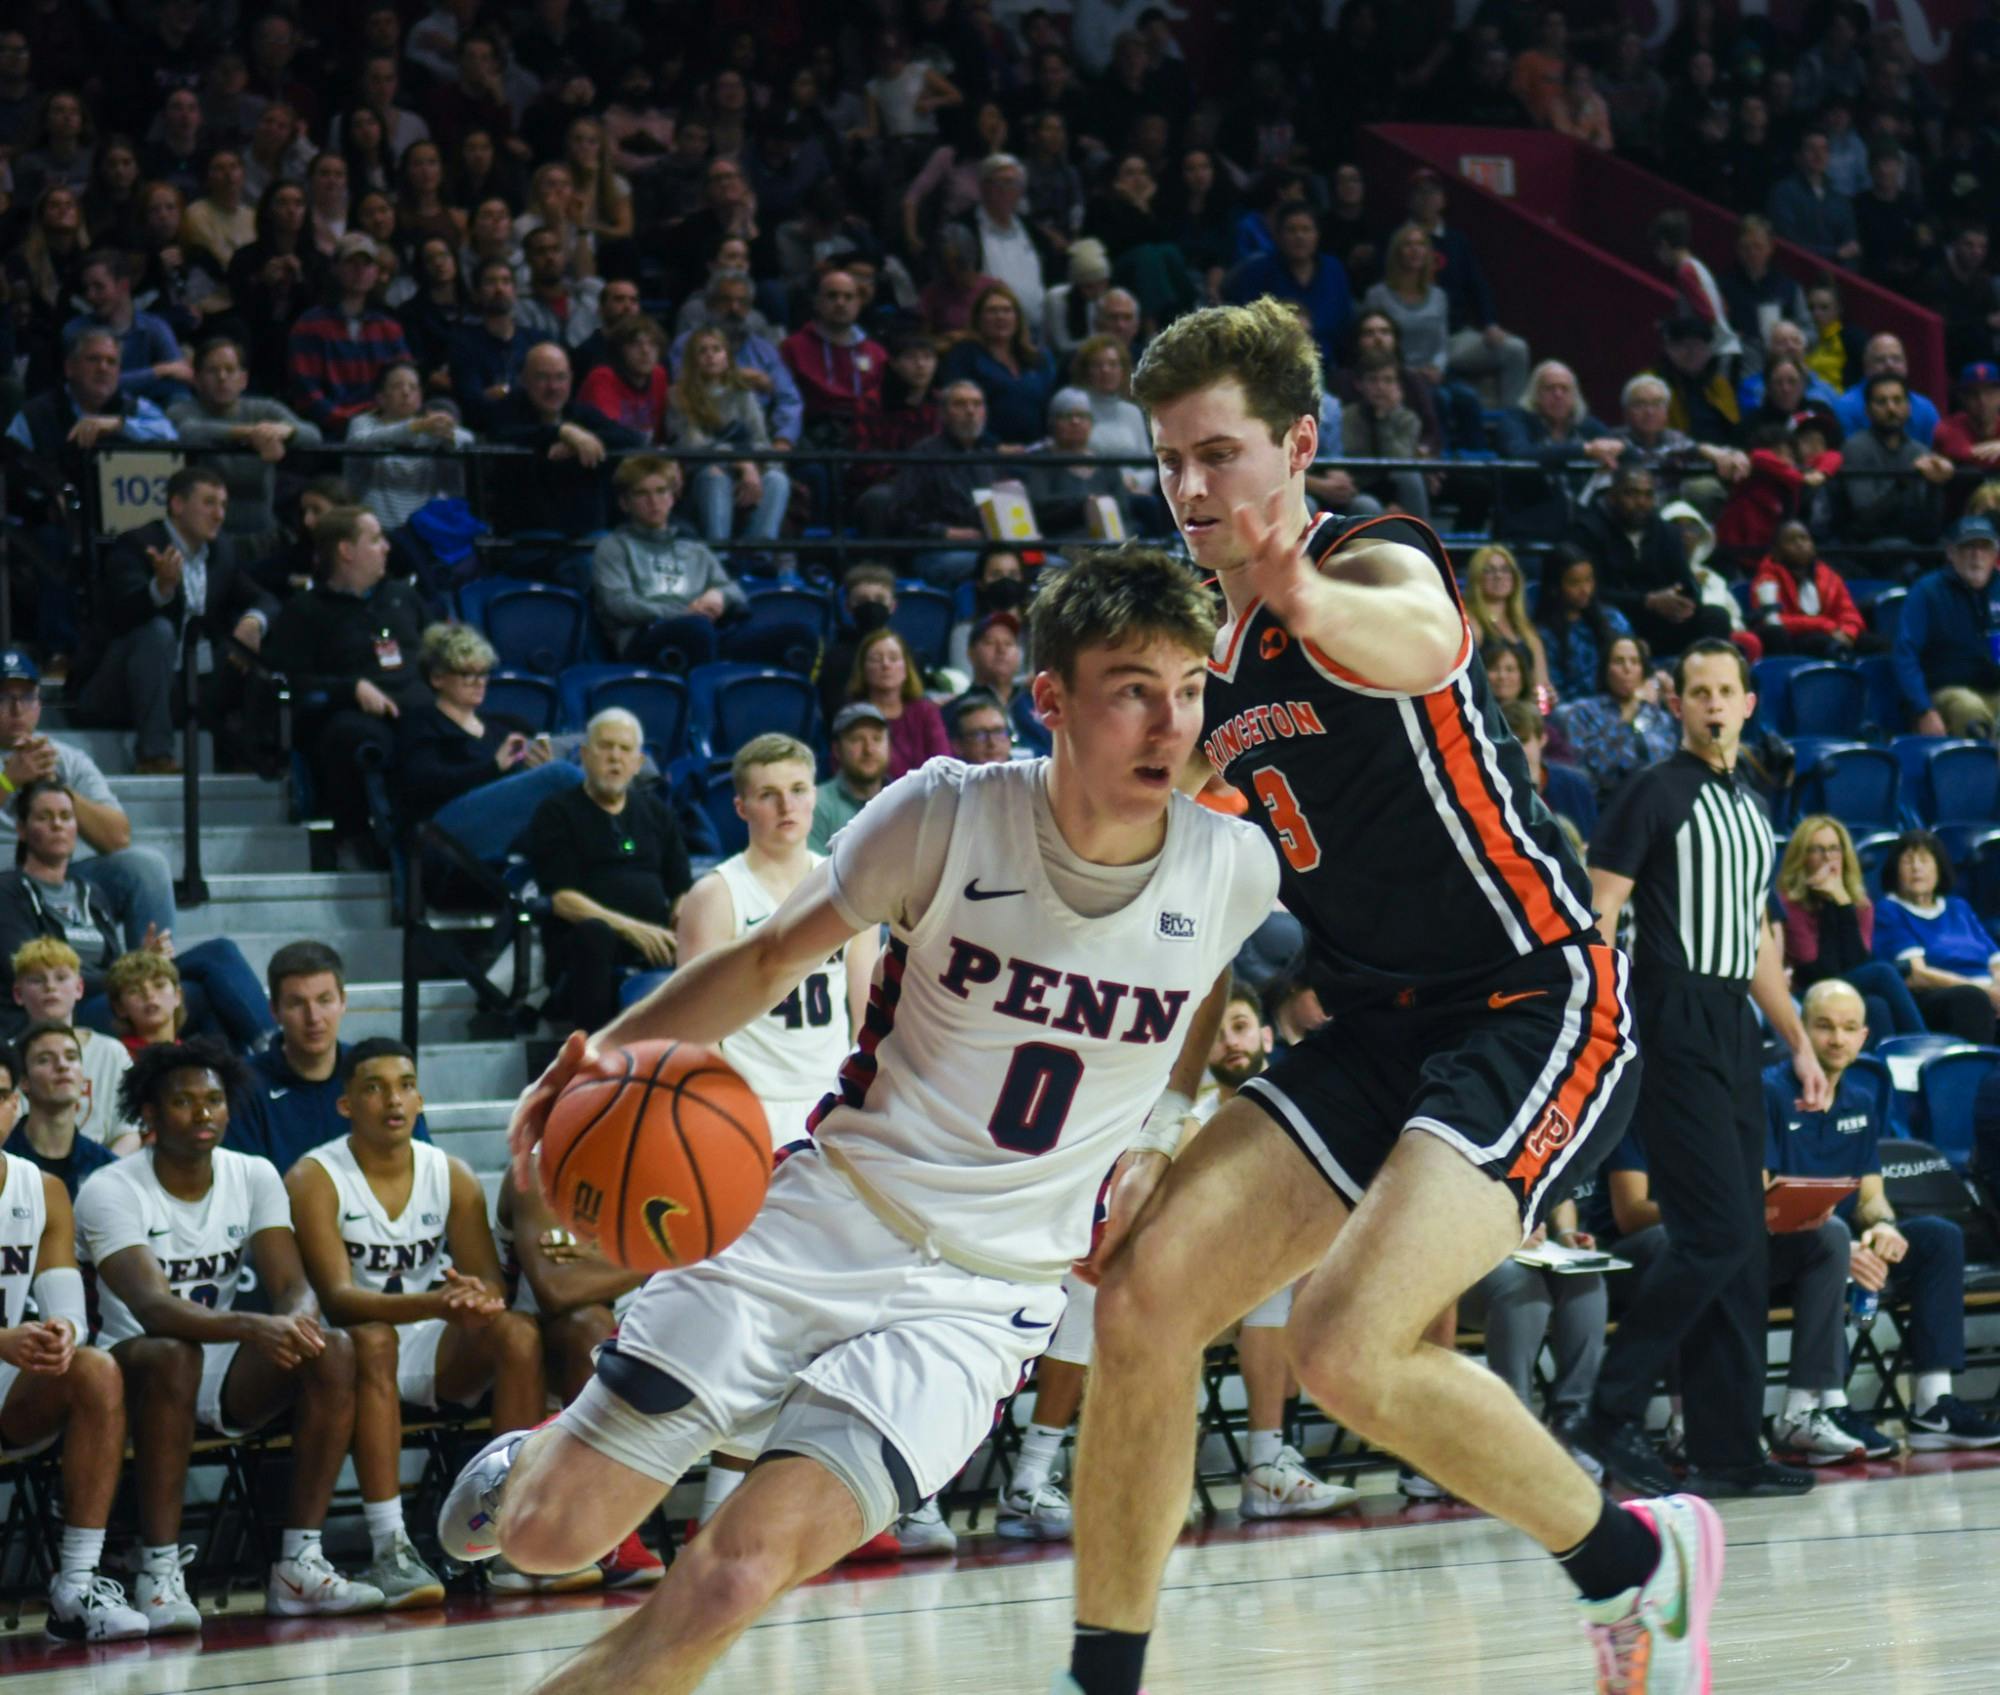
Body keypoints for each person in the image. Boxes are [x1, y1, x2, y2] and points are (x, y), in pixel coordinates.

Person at [438, 544, 1279, 1695]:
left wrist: (1163, 1122)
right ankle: (532, 1460)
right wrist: (605, 1056)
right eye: (1133, 687)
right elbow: (770, 954)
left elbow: (1205, 981)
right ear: (1050, 699)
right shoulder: (944, 816)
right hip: (827, 1216)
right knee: (548, 1539)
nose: (1168, 722)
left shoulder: (1232, 866)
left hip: (983, 1297)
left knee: (735, 1577)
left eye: (1188, 689)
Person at [1033, 297, 1693, 1695]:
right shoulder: (1202, 669)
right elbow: (1187, 905)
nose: (1192, 488)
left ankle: (1635, 1562)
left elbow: (1421, 640)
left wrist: (1302, 595)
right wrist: (1149, 1114)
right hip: (1370, 1023)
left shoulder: (1368, 561)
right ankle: (1102, 1680)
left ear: (1299, 445)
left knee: (1341, 1340)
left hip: (1534, 999)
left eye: (1219, 454)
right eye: (1169, 463)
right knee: (1143, 1299)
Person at [1581, 639, 1825, 1502]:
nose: (1714, 704)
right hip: (1671, 1006)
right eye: (1698, 691)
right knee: (1715, 1231)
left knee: (1744, 1247)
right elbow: (1600, 905)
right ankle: (1608, 1409)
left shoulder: (1753, 809)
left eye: (1727, 691)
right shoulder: (1654, 789)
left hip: (1732, 1021)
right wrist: (1601, 1018)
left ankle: (1728, 1448)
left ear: (1749, 704)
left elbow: (1760, 944)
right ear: (1675, 703)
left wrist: (1795, 1039)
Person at [75, 1036, 387, 1630]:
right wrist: (254, 1323)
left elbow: (293, 1282)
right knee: (175, 1352)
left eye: (214, 1100)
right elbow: (152, 1309)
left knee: (336, 1349)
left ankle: (298, 1562)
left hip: (219, 1366)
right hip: (132, 1365)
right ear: (149, 1112)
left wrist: (297, 1320)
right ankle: (159, 1572)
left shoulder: (253, 1174)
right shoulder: (111, 1187)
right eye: (184, 1102)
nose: (203, 1114)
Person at [288, 1038, 554, 1603]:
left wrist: (470, 1298)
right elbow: (338, 1298)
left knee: (517, 1333)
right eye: (375, 1087)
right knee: (375, 1338)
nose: (395, 1099)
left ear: (421, 1097)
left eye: (406, 1085)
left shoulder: (449, 1174)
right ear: (345, 1105)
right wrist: (438, 1302)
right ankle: (391, 1547)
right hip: (353, 1351)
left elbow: (490, 1287)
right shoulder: (315, 1176)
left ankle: (511, 1534)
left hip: (432, 1348)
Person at [1769, 980, 2000, 1452]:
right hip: (1782, 1252)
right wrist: (1842, 1247)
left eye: (1849, 1028)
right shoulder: (1768, 1092)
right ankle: (1828, 1406)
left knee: (1937, 1235)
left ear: (1864, 1036)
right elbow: (1759, 1202)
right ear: (1802, 1030)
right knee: (1832, 1240)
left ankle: (1932, 1406)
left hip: (1843, 1248)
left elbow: (1871, 1195)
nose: (1837, 1039)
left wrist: (1882, 1228)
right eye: (1824, 1027)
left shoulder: (1860, 1099)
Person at [0, 1060, 148, 1641]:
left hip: (10, 1388)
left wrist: (60, 1333)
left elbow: (67, 1309)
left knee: (93, 1368)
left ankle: (77, 1585)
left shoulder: (42, 1190)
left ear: (16, 1106)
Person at [678, 734, 877, 1153]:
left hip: (830, 1097)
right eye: (768, 795)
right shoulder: (716, 894)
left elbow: (866, 1014)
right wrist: (717, 1106)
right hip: (749, 1099)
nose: (787, 806)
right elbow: (695, 1022)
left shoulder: (850, 884)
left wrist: (863, 1100)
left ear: (814, 797)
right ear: (741, 808)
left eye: (798, 790)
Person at [0, 781, 274, 1053]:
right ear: (23, 830)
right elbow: (24, 968)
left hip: (111, 994)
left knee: (219, 952)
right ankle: (269, 1057)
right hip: (65, 1008)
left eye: (66, 816)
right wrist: (129, 971)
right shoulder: (9, 890)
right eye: (44, 817)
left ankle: (262, 1054)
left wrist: (139, 964)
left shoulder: (89, 891)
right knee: (200, 994)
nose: (57, 825)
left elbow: (114, 963)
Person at [78, 465, 278, 778]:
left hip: (185, 686)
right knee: (157, 632)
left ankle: (250, 755)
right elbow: (120, 616)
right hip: (120, 686)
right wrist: (160, 590)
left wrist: (253, 620)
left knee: (252, 643)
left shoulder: (222, 551)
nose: (219, 515)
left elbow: (266, 599)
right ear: (177, 505)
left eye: (224, 505)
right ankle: (154, 756)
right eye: (209, 503)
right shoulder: (138, 544)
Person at [263, 507, 430, 852]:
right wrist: (349, 689)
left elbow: (440, 652)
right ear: (346, 551)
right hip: (355, 713)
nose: (387, 547)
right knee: (354, 736)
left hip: (420, 706)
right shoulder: (305, 611)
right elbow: (288, 681)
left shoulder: (404, 596)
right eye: (375, 540)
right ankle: (358, 840)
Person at [526, 709, 692, 1034]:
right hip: (584, 944)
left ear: (639, 762)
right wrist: (632, 929)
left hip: (654, 940)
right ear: (585, 755)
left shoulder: (658, 812)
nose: (615, 758)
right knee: (595, 933)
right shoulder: (557, 812)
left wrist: (680, 923)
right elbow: (562, 899)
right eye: (605, 747)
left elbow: (681, 887)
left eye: (625, 749)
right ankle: (595, 1056)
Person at [0, 649, 178, 948]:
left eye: (27, 697)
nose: (17, 709)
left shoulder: (66, 759)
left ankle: (149, 980)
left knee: (146, 868)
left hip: (60, 877)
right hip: (5, 883)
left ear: (39, 705)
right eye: (4, 698)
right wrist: (9, 780)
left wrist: (55, 787)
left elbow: (117, 838)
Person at [225, 940, 431, 1173]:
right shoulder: (245, 1084)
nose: (313, 1017)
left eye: (325, 1000)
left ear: (343, 1002)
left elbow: (423, 1168)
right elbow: (242, 1186)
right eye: (297, 1004)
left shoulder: (377, 1072)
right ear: (274, 1011)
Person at [1777, 816, 1968, 1043]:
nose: (1828, 858)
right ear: (1802, 858)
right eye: (1817, 850)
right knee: (1882, 972)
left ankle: (1883, 1071)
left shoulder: (1859, 904)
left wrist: (1841, 902)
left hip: (1846, 985)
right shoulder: (1789, 905)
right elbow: (1820, 973)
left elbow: (1856, 962)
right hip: (1807, 993)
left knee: (1877, 1007)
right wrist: (1833, 905)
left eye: (1834, 849)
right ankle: (1923, 1044)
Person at [396, 623, 584, 849]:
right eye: (466, 674)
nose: (479, 682)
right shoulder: (422, 723)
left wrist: (537, 763)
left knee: (600, 746)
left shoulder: (505, 725)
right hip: (443, 825)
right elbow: (422, 784)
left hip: (502, 820)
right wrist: (493, 766)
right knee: (560, 774)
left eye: (483, 673)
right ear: (437, 678)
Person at [169, 336, 324, 557]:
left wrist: (285, 431)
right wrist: (252, 434)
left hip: (262, 536)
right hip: (204, 540)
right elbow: (189, 431)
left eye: (230, 370)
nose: (222, 377)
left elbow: (314, 436)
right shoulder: (182, 409)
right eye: (213, 371)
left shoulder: (263, 409)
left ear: (243, 379)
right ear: (197, 379)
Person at [1568, 463, 1731, 659]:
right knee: (1607, 620)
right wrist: (1647, 601)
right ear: (1612, 496)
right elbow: (1591, 593)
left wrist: (1684, 602)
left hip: (1659, 622)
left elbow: (1687, 583)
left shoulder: (1666, 532)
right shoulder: (1588, 531)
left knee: (1715, 617)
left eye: (1648, 495)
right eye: (1632, 494)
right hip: (1614, 618)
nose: (1641, 502)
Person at [668, 326, 792, 545]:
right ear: (692, 359)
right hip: (699, 469)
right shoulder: (678, 394)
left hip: (745, 466)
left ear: (726, 356)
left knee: (777, 479)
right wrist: (739, 461)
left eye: (716, 349)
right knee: (714, 475)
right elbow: (692, 444)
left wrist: (757, 466)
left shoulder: (743, 394)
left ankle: (759, 552)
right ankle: (719, 552)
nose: (710, 356)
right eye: (702, 351)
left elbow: (760, 441)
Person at [11, 938, 137, 1150]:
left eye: (61, 978)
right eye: (37, 980)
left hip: (103, 1169)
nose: (50, 987)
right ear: (18, 993)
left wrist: (104, 1178)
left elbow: (128, 1133)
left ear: (79, 988)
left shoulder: (111, 1052)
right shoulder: (7, 1055)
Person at [285, 233, 414, 438]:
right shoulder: (309, 326)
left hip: (384, 424)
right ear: (335, 268)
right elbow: (307, 393)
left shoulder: (389, 328)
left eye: (366, 264)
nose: (360, 270)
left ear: (376, 272)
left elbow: (406, 381)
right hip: (328, 428)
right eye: (351, 262)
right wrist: (346, 419)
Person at [1873, 829, 2000, 1038]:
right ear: (1895, 871)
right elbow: (1917, 975)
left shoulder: (1959, 907)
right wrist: (1984, 991)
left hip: (1986, 992)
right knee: (1972, 999)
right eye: (1908, 861)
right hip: (1938, 998)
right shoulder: (1890, 910)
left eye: (1924, 860)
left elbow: (1995, 962)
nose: (1916, 868)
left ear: (1939, 867)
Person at [1891, 515, 2000, 736]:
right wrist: (1924, 709)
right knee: (1967, 707)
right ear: (1951, 553)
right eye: (1968, 547)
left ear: (1995, 554)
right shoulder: (1927, 592)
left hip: (1993, 687)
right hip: (1945, 691)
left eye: (1984, 547)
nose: (1976, 556)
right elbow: (1905, 654)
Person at [344, 361, 474, 532]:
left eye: (413, 387)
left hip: (423, 528)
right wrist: (413, 427)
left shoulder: (431, 426)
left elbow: (467, 439)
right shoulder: (363, 423)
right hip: (376, 525)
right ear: (381, 397)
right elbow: (358, 442)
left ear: (420, 396)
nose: (406, 392)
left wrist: (448, 434)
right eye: (397, 386)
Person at [1833, 373, 1954, 547]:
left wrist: (1936, 485)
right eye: (1881, 402)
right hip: (1866, 546)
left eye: (1898, 400)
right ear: (1867, 411)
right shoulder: (1855, 448)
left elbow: (1930, 525)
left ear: (1909, 407)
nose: (1891, 408)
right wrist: (1903, 482)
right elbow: (1865, 516)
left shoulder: (1920, 451)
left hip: (1913, 543)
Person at [1555, 634, 1682, 801]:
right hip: (1611, 803)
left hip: (1661, 800)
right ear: (1606, 669)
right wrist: (1629, 713)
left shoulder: (1658, 717)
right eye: (1619, 661)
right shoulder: (1583, 713)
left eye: (1634, 662)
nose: (1627, 668)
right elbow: (1598, 771)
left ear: (1643, 670)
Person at [63, 248, 192, 409]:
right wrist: (158, 371)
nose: (90, 296)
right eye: (87, 288)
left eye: (99, 287)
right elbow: (91, 386)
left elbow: (181, 375)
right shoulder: (76, 331)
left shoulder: (154, 327)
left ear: (123, 285)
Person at [2, 1019, 117, 1200]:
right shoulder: (5, 1159)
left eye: (71, 1057)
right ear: (24, 1081)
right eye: (45, 1059)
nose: (63, 1066)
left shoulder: (107, 1167)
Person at [847, 627, 949, 781]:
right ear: (863, 669)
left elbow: (944, 765)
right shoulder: (852, 716)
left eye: (893, 658)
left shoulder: (925, 712)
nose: (886, 665)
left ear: (906, 668)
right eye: (876, 659)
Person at [1535, 544, 1633, 705]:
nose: (1585, 589)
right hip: (1571, 712)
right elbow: (1553, 692)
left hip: (1618, 704)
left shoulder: (1613, 619)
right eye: (1575, 583)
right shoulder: (1544, 635)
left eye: (1589, 580)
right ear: (1556, 586)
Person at [448, 257, 535, 432]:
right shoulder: (463, 343)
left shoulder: (536, 341)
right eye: (490, 282)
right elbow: (472, 401)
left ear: (515, 290)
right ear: (477, 293)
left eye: (506, 281)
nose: (499, 289)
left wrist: (500, 394)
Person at [1464, 544, 1552, 699]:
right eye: (1489, 570)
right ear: (1477, 578)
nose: (1498, 576)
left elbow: (1541, 686)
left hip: (1524, 712)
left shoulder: (1526, 630)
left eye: (1505, 569)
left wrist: (1546, 697)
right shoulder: (1470, 624)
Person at [1767, 127, 1861, 266]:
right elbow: (1786, 243)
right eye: (1811, 149)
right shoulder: (1784, 192)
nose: (1819, 155)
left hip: (1833, 279)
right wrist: (1834, 253)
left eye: (1824, 149)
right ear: (1798, 156)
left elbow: (1851, 248)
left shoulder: (1840, 200)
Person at [1832, 333, 1942, 445]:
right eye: (1880, 360)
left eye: (1896, 359)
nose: (1890, 365)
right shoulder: (1846, 407)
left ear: (1906, 365)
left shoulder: (1926, 409)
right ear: (1866, 366)